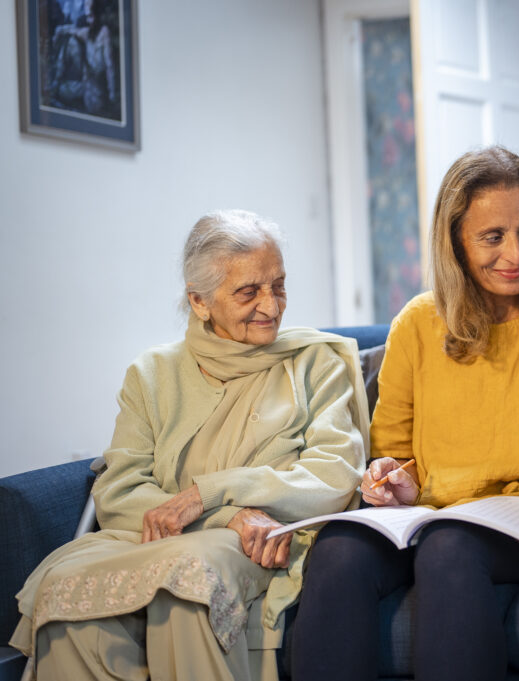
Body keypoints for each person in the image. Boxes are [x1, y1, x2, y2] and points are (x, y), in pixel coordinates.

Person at [290, 145, 519, 681]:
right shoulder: (417, 323)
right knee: (340, 549)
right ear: (456, 242)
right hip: (434, 517)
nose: (516, 253)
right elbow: (395, 458)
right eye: (493, 237)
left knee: (450, 545)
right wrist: (392, 481)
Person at [9, 210, 369, 681]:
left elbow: (334, 476)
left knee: (188, 581)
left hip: (263, 542)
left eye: (278, 285)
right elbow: (118, 490)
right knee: (66, 600)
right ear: (200, 303)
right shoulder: (151, 374)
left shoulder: (315, 364)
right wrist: (225, 514)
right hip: (155, 538)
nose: (272, 305)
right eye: (249, 291)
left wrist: (208, 493)